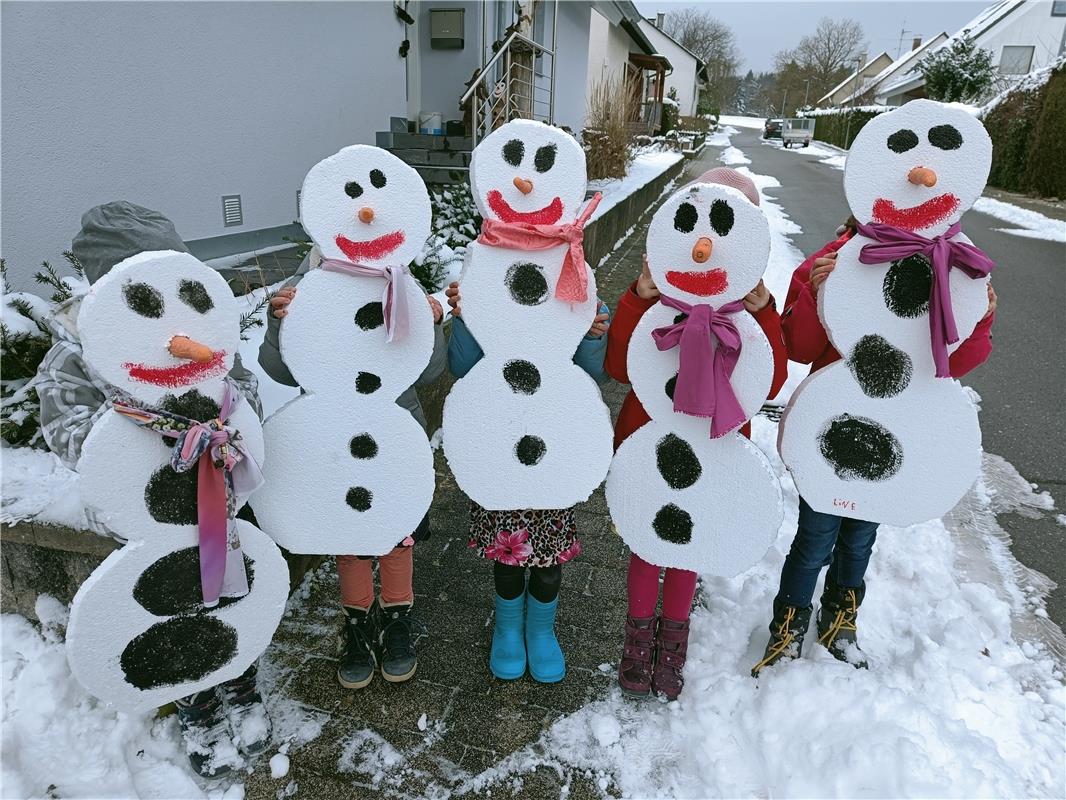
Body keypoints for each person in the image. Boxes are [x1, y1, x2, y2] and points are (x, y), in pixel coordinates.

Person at [36, 201, 268, 778]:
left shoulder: (199, 336)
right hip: (145, 516)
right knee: (167, 603)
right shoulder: (78, 350)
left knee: (230, 591)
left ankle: (239, 681)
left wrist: (222, 420)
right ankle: (195, 703)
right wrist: (148, 428)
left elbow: (247, 395)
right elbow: (68, 433)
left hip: (222, 503)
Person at [751, 217, 997, 676]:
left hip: (894, 432)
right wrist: (817, 292)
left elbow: (955, 363)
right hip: (830, 432)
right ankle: (787, 624)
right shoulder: (834, 257)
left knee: (860, 539)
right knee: (814, 539)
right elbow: (800, 346)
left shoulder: (950, 265)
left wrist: (977, 319)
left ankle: (839, 620)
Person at [606, 168, 789, 700]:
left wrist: (765, 314)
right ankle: (638, 640)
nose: (706, 246)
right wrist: (638, 297)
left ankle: (674, 642)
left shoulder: (749, 310)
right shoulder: (658, 297)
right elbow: (620, 365)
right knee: (647, 545)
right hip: (650, 439)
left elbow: (769, 380)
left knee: (690, 545)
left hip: (714, 444)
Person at [262, 247, 446, 690]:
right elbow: (279, 369)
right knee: (351, 534)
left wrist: (433, 324)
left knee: (397, 533)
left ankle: (398, 618)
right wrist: (279, 323)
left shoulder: (399, 285)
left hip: (397, 438)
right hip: (333, 440)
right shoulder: (311, 289)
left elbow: (430, 370)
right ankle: (359, 624)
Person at [444, 280, 611, 683]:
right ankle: (507, 628)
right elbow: (462, 367)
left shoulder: (575, 285)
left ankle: (539, 630)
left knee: (549, 555)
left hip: (552, 444)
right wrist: (468, 318)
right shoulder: (491, 280)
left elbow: (595, 375)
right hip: (500, 443)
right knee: (508, 552)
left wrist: (589, 335)